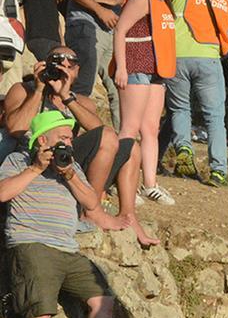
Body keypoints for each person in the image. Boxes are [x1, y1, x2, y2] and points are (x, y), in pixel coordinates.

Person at [0, 110, 143, 318]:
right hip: (32, 245)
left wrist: (69, 175)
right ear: (43, 140)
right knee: (40, 313)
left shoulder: (71, 166)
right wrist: (35, 169)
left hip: (68, 248)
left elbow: (92, 203)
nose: (69, 142)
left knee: (102, 298)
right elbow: (2, 193)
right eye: (63, 136)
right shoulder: (17, 161)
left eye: (70, 136)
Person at [3, 47, 152, 241]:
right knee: (107, 136)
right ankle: (92, 211)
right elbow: (15, 128)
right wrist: (40, 89)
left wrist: (66, 97)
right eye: (58, 63)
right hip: (36, 156)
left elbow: (103, 135)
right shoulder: (24, 90)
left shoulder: (81, 101)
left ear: (77, 71)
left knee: (131, 147)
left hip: (67, 158)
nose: (64, 69)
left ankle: (128, 214)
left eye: (70, 65)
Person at [106, 0, 182, 213]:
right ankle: (118, 181)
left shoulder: (163, 1)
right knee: (130, 127)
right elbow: (121, 30)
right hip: (137, 66)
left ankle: (150, 184)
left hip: (156, 72)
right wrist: (122, 68)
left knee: (150, 128)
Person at [167, 0, 228, 186]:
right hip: (209, 58)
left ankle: (184, 150)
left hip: (178, 55)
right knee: (215, 118)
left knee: (180, 107)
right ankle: (218, 171)